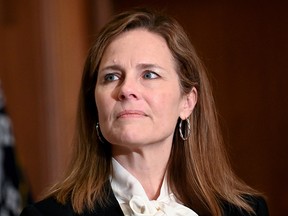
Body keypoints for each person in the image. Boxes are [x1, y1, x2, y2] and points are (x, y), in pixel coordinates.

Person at [20, 8, 269, 216]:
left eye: (149, 74)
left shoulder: (247, 211)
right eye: (111, 76)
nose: (126, 89)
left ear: (187, 101)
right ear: (94, 104)